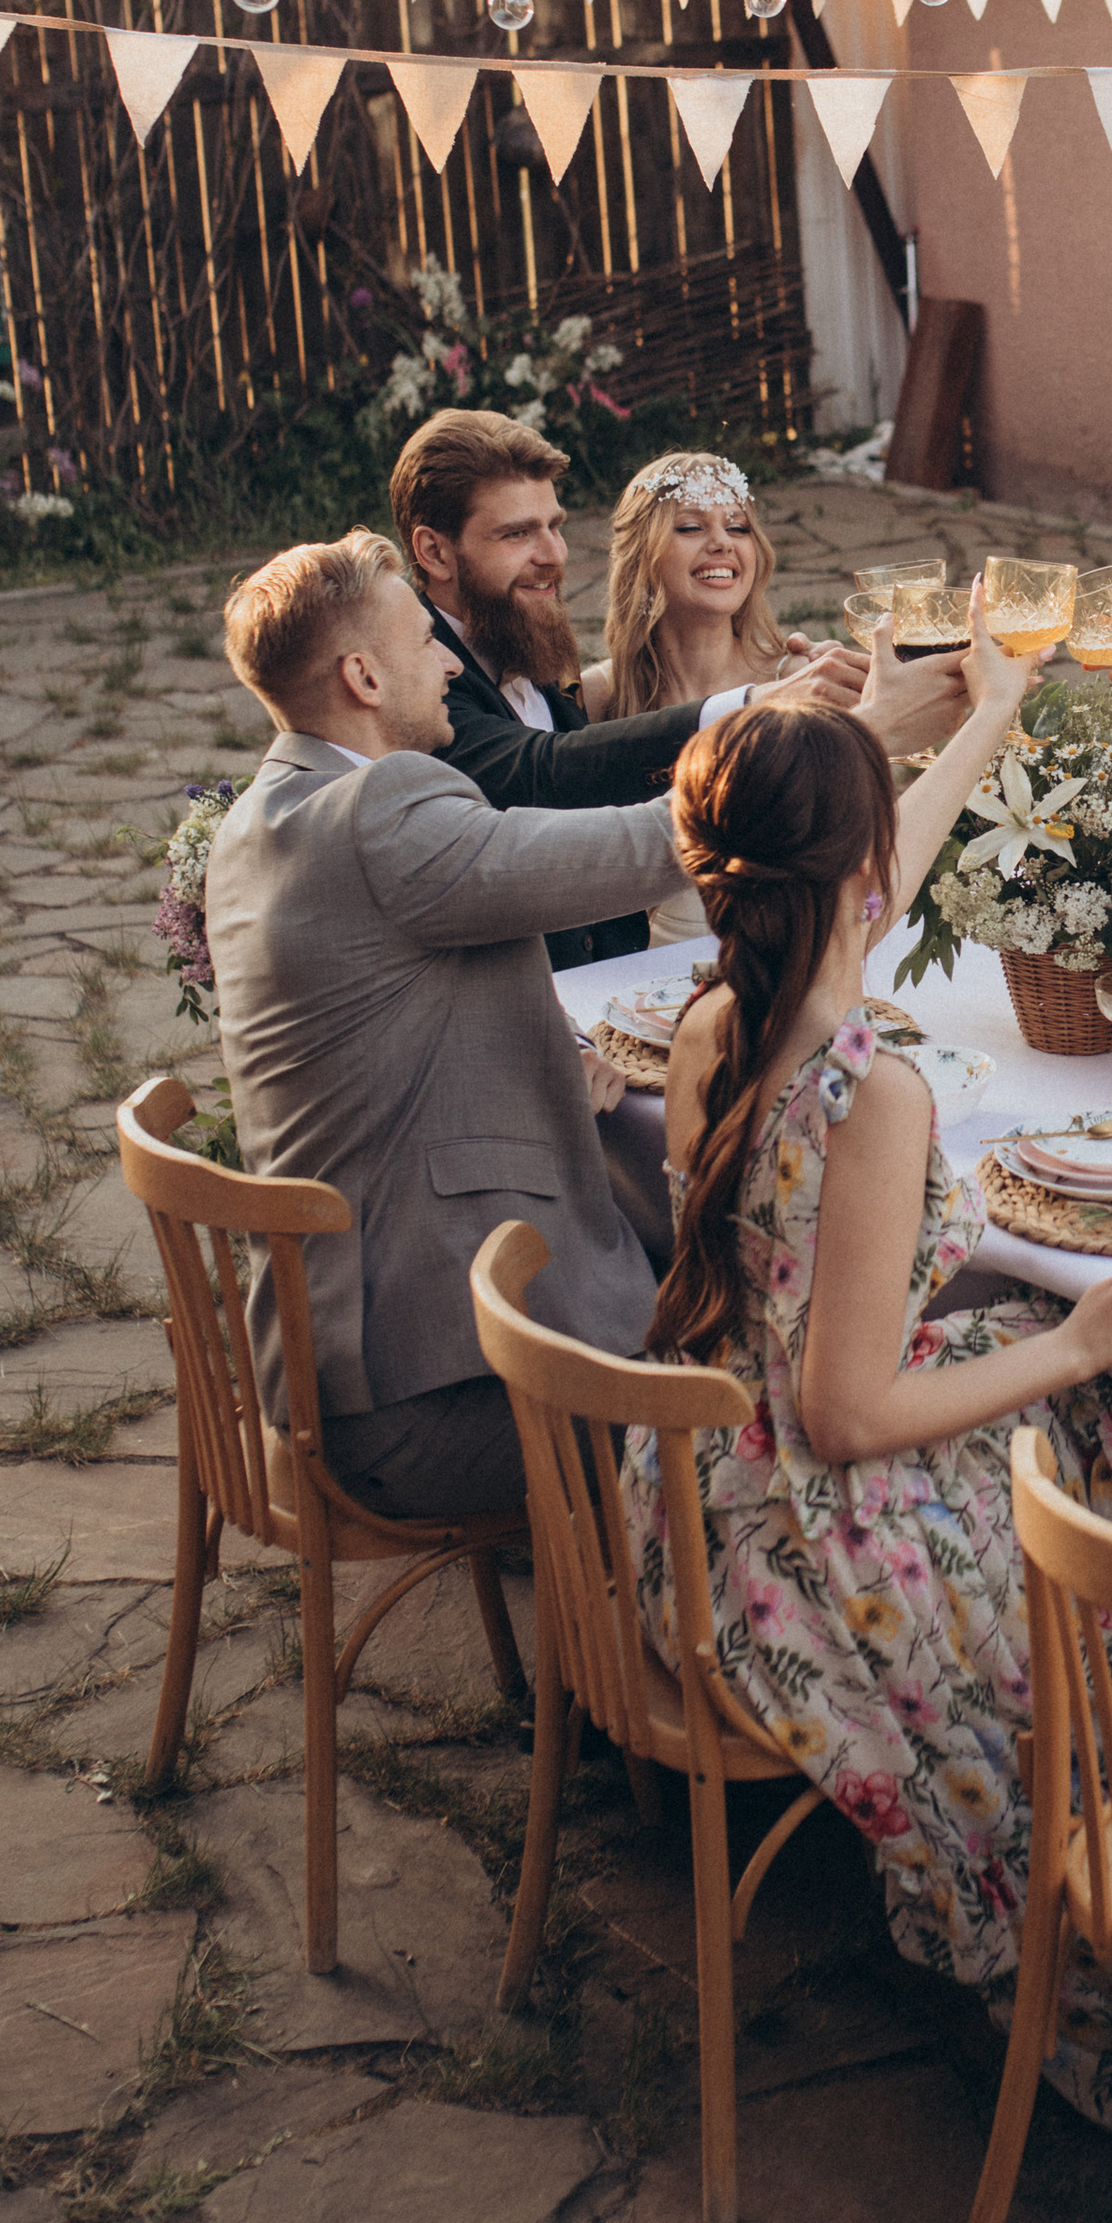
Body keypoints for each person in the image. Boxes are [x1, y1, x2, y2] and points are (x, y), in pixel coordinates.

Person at [615, 615, 1112, 2180]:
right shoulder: (872, 1092)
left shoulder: (720, 1015)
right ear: (852, 871)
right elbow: (853, 1413)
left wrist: (985, 719)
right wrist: (1087, 1336)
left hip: (694, 1486)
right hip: (815, 1530)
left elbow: (872, 879)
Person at [207, 530, 684, 1518]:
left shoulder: (265, 813)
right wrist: (819, 754)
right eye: (429, 641)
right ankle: (660, 1652)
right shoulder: (380, 811)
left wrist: (557, 1051)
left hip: (333, 1362)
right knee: (770, 1411)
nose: (450, 663)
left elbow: (390, 994)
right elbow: (631, 849)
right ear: (363, 675)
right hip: (417, 1403)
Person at [388, 412, 962, 970]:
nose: (554, 556)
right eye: (517, 533)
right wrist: (761, 715)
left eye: (555, 527)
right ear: (435, 552)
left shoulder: (526, 646)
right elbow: (550, 774)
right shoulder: (422, 681)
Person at [576, 449, 969, 949]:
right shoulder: (599, 695)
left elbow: (867, 828)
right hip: (640, 966)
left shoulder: (806, 678)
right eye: (691, 527)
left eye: (738, 527)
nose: (721, 542)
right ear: (642, 552)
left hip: (785, 950)